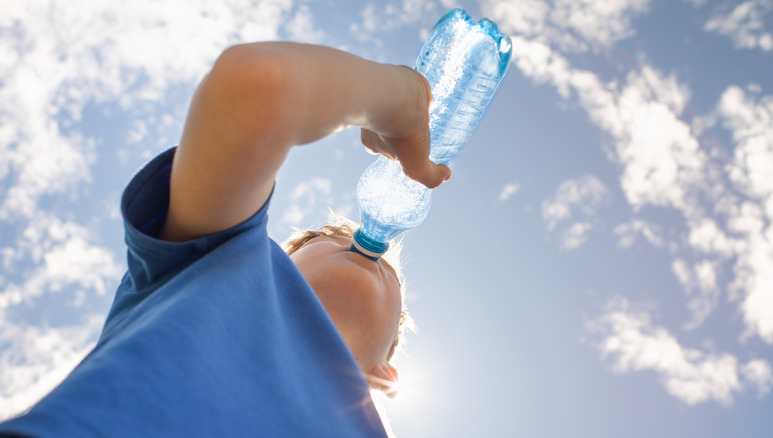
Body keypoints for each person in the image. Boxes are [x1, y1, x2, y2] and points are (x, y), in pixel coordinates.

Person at [0, 42, 450, 437]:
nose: (362, 249)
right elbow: (258, 85)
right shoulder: (218, 258)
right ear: (282, 262)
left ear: (384, 378)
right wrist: (400, 99)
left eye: (389, 276)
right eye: (323, 236)